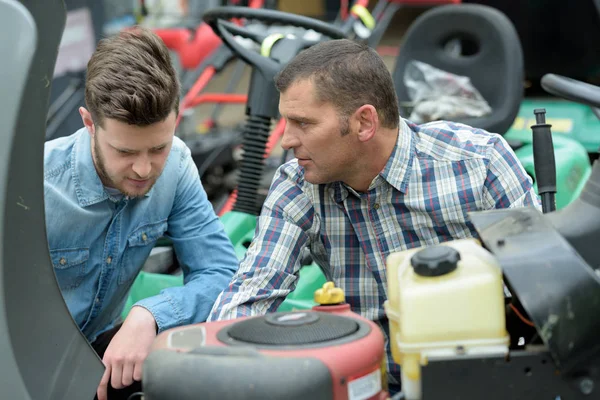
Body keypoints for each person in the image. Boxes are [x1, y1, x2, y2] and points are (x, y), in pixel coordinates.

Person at [208, 39, 541, 393]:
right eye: (286, 122)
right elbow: (250, 295)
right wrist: (210, 370)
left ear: (364, 122)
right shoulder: (297, 186)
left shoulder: (479, 164)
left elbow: (544, 292)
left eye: (303, 123)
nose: (285, 141)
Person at [43, 27, 239, 400]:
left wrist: (149, 314)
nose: (145, 170)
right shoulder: (35, 186)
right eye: (125, 152)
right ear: (89, 124)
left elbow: (221, 273)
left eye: (157, 148)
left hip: (102, 351)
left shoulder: (178, 165)